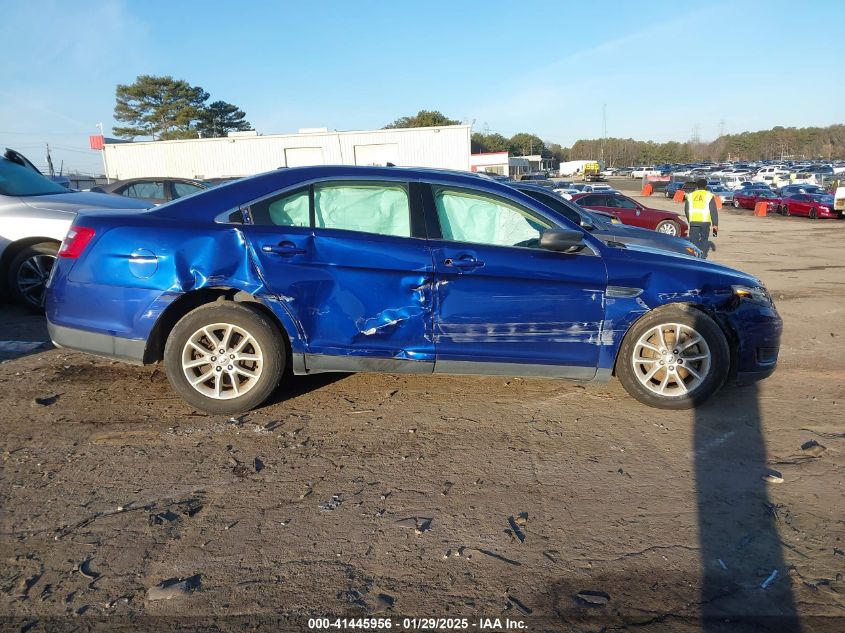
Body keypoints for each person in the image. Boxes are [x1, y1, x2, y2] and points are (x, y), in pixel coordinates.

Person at [684, 178, 718, 257]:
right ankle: (703, 255)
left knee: (693, 240)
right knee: (704, 240)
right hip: (705, 222)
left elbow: (686, 210)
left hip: (694, 222)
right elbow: (713, 211)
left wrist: (690, 220)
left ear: (697, 186)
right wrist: (715, 225)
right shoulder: (709, 195)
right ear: (706, 186)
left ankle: (693, 255)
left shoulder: (691, 195)